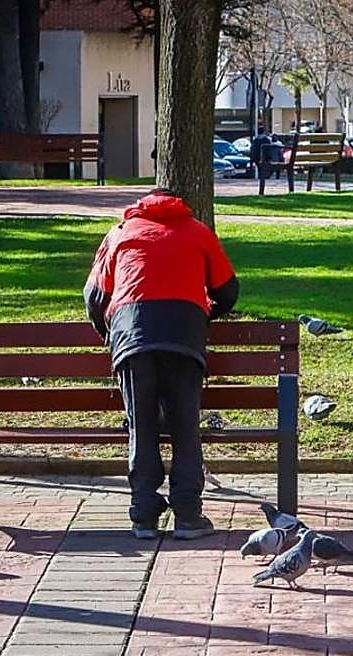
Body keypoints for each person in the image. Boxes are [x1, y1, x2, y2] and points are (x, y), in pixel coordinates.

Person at [83, 189, 239, 540]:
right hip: (184, 336)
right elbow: (228, 291)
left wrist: (107, 330)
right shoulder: (198, 231)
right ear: (180, 206)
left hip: (132, 336)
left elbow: (93, 296)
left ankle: (143, 515)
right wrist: (202, 314)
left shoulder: (121, 233)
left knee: (141, 425)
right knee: (185, 426)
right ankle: (187, 515)